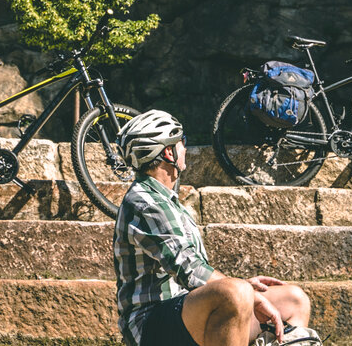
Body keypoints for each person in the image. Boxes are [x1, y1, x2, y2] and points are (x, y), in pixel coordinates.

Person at [112, 109, 320, 346]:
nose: (185, 149)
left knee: (294, 300)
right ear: (168, 152)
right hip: (150, 326)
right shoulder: (144, 202)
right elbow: (189, 269)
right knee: (236, 292)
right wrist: (244, 292)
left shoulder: (165, 200)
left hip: (186, 309)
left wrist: (243, 288)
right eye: (182, 142)